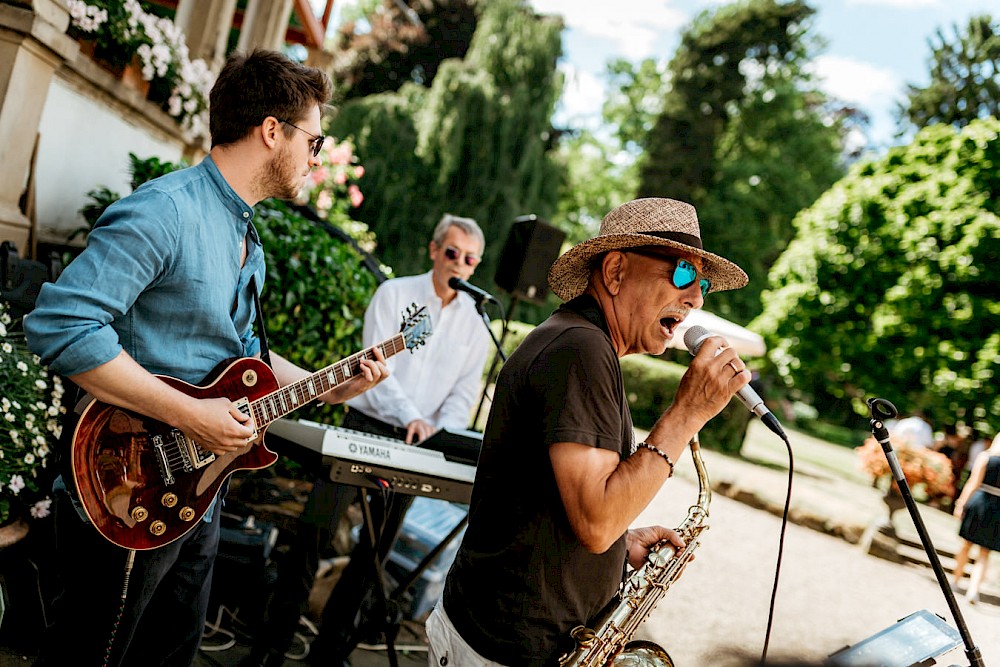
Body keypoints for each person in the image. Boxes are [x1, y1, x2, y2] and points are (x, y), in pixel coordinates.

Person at [23, 49, 388, 666]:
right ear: (273, 131)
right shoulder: (165, 209)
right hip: (124, 482)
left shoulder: (248, 237)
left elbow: (242, 359)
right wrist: (189, 415)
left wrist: (330, 385)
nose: (315, 158)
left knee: (170, 656)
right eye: (314, 141)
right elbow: (62, 326)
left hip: (198, 492)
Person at [427, 197, 751, 665]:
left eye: (702, 283)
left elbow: (568, 508)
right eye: (682, 273)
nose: (696, 297)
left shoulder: (583, 343)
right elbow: (598, 521)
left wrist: (619, 548)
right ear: (616, 271)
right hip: (501, 649)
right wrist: (686, 415)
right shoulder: (580, 349)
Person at [243, 214, 491, 666]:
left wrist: (440, 431)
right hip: (365, 425)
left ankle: (327, 655)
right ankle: (268, 651)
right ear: (435, 250)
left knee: (371, 560)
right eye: (452, 252)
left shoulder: (475, 323)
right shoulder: (395, 295)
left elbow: (463, 391)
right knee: (313, 537)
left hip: (420, 445)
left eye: (470, 258)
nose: (460, 264)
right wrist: (412, 414)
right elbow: (377, 366)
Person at [951, 433, 1000, 604]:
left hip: (980, 502)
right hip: (998, 509)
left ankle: (956, 581)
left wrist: (961, 503)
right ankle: (973, 590)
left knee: (966, 545)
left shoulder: (985, 457)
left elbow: (973, 482)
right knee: (984, 553)